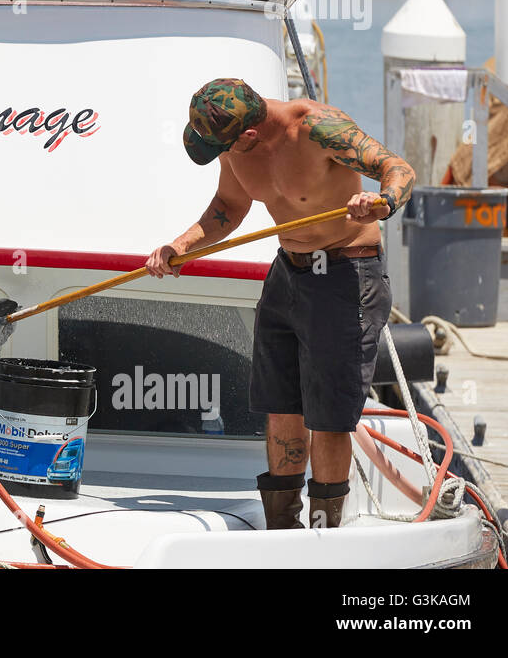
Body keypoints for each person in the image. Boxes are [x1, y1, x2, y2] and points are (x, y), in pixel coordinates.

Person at [145, 78, 414, 530]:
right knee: (281, 403)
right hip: (287, 272)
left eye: (225, 146)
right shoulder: (235, 148)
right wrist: (180, 245)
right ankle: (282, 530)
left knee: (329, 415)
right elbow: (228, 207)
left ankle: (324, 535)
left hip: (346, 274)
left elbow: (397, 168)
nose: (222, 153)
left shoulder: (319, 129)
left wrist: (381, 203)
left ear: (250, 135)